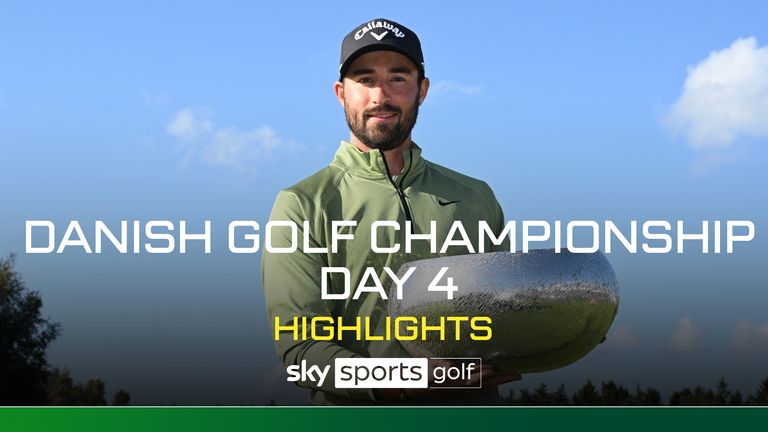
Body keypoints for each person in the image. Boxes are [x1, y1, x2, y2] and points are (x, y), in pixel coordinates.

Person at [262, 18, 519, 405]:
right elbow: (300, 355)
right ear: (340, 93)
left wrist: (567, 327)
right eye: (365, 80)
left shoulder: (476, 197)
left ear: (423, 90)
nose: (380, 95)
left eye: (398, 78)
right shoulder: (302, 203)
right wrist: (409, 378)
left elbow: (505, 316)